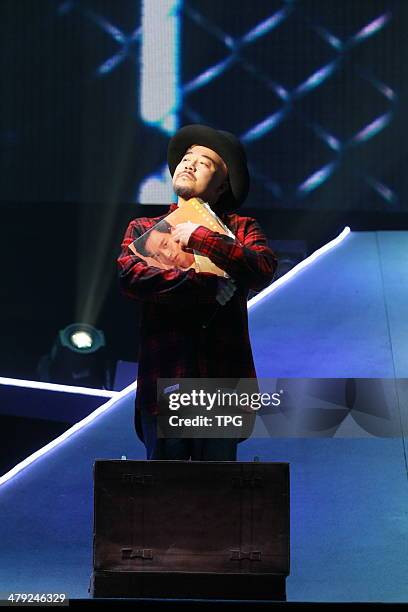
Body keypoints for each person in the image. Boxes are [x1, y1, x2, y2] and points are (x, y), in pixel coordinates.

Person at [117, 124, 277, 460]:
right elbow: (131, 276)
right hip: (166, 379)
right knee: (164, 496)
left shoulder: (241, 228)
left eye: (205, 162)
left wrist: (202, 237)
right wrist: (208, 284)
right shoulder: (143, 229)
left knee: (216, 499)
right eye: (187, 157)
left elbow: (262, 268)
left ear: (222, 187)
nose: (189, 163)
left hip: (221, 384)